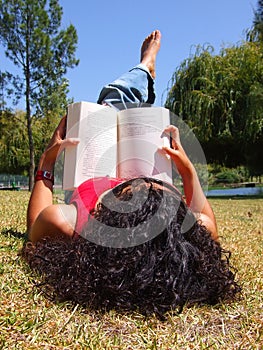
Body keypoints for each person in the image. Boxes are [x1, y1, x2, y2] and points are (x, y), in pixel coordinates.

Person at [22, 30, 240, 318]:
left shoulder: (74, 224)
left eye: (131, 191)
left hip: (93, 167)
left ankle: (143, 69)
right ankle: (146, 68)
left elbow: (35, 226)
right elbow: (208, 221)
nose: (135, 179)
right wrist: (187, 172)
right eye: (160, 188)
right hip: (138, 163)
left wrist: (47, 163)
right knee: (139, 119)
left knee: (110, 103)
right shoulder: (186, 233)